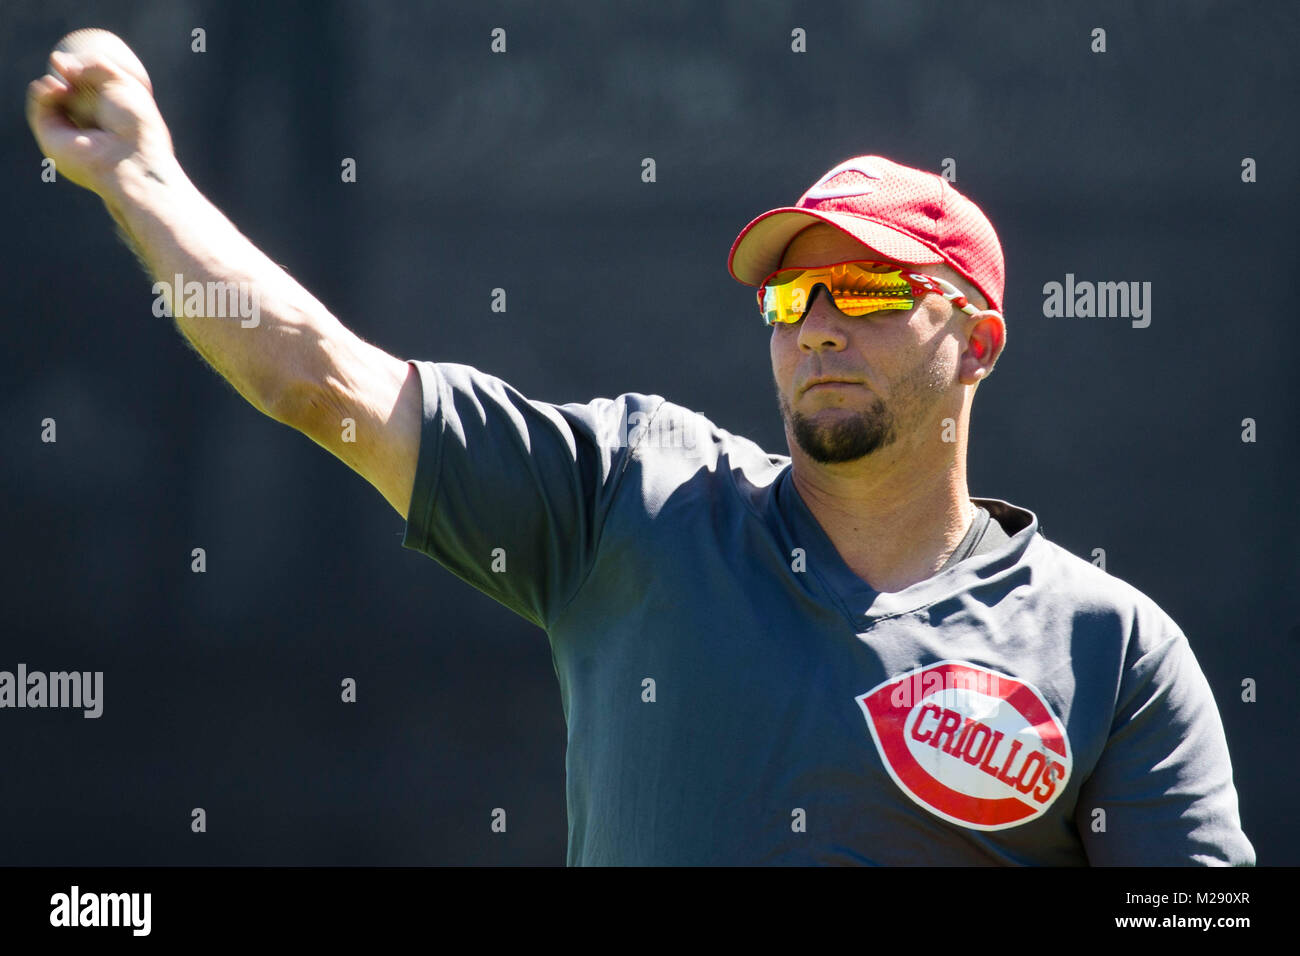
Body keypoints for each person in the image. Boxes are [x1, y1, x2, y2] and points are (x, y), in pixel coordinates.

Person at [28, 48, 1255, 866]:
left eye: (871, 286)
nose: (819, 320)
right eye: (790, 296)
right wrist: (139, 174)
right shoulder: (632, 496)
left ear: (976, 341)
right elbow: (319, 379)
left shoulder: (1113, 650)